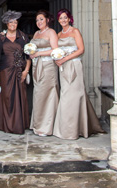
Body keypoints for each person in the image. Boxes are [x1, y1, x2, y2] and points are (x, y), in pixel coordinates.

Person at [52, 8, 105, 140]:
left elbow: (81, 49)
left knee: (75, 96)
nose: (63, 20)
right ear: (58, 20)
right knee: (65, 97)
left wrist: (65, 58)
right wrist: (57, 59)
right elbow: (56, 51)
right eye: (60, 18)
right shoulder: (58, 35)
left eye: (65, 17)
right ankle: (66, 129)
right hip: (63, 68)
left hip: (75, 66)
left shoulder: (75, 31)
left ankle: (77, 129)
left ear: (69, 18)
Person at [0, 10, 31, 134]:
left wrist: (26, 71)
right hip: (5, 70)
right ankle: (7, 125)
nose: (13, 24)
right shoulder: (0, 37)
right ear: (6, 23)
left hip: (19, 71)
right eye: (11, 22)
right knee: (6, 97)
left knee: (20, 96)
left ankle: (19, 124)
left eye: (15, 22)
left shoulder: (23, 36)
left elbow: (28, 55)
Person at [28, 9, 59, 136]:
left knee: (48, 94)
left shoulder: (51, 32)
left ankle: (47, 126)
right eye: (37, 20)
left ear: (47, 20)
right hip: (36, 66)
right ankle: (38, 123)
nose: (39, 22)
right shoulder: (36, 34)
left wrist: (39, 53)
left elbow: (55, 50)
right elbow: (33, 49)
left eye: (41, 19)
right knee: (38, 95)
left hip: (48, 66)